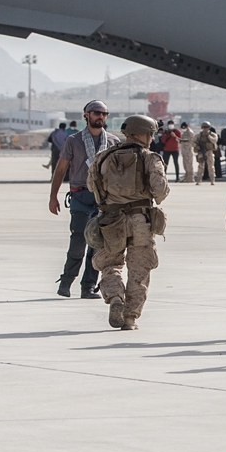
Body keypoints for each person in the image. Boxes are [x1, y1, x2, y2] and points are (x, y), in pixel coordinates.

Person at [88, 114, 171, 330]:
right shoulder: (150, 158)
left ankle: (115, 297)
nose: (152, 138)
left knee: (110, 263)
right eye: (150, 134)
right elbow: (160, 191)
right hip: (139, 220)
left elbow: (92, 186)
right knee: (139, 269)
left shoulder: (103, 157)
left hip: (110, 220)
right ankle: (129, 317)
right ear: (139, 134)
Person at [52, 101, 112, 299]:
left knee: (96, 245)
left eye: (104, 113)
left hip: (103, 199)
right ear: (86, 115)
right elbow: (61, 170)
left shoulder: (112, 142)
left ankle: (88, 287)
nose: (100, 117)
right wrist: (53, 197)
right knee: (78, 241)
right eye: (96, 113)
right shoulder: (73, 141)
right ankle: (67, 281)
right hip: (80, 196)